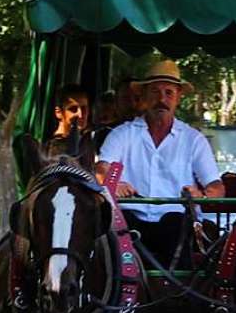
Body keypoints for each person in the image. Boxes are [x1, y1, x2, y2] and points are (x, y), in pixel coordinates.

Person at [95, 57, 223, 266]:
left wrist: (201, 195)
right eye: (155, 92)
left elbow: (217, 187)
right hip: (130, 220)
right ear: (144, 96)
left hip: (176, 225)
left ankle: (180, 297)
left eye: (168, 93)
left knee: (177, 225)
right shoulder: (122, 134)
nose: (161, 99)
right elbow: (101, 169)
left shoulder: (193, 139)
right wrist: (113, 183)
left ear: (178, 98)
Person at [44, 83, 95, 165]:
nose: (80, 114)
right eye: (73, 109)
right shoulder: (52, 148)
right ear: (59, 113)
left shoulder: (87, 142)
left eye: (84, 108)